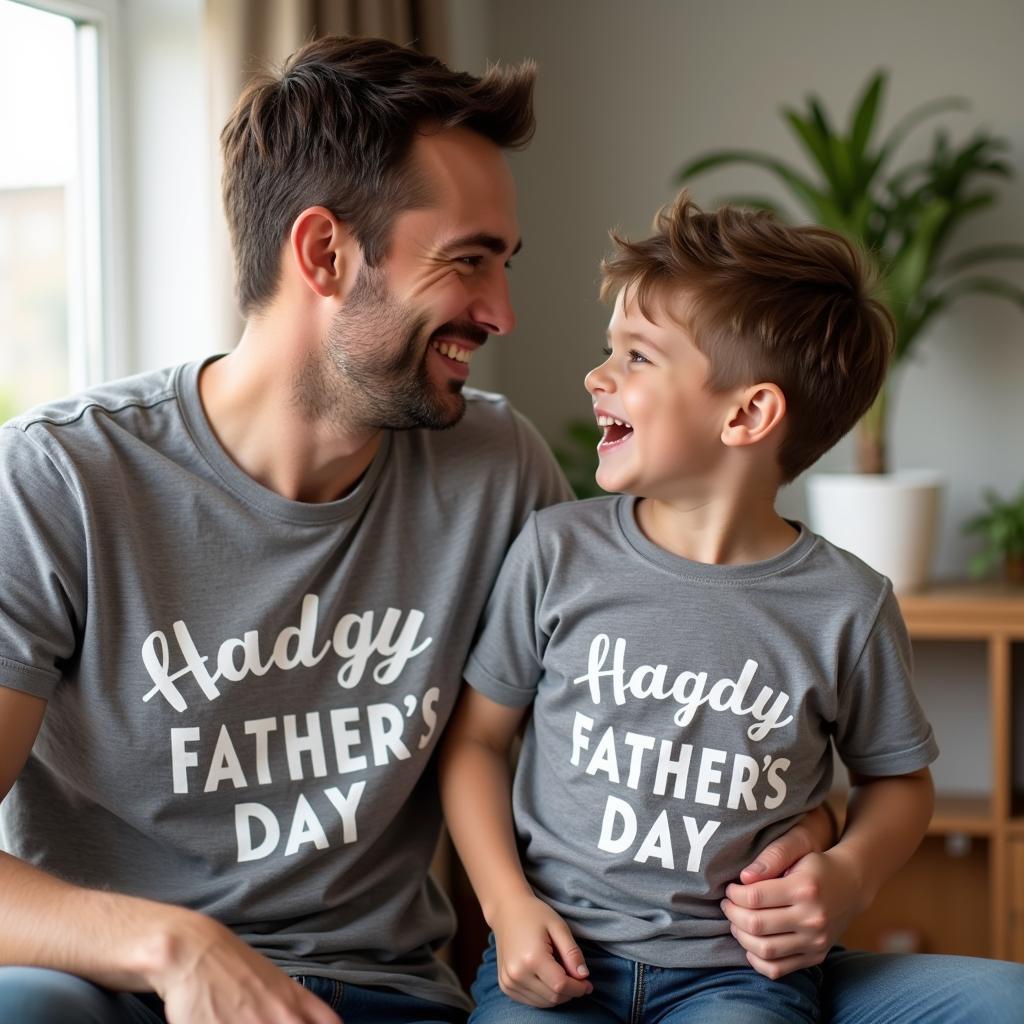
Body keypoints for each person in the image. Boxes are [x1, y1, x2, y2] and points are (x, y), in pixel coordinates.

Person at [0, 33, 1016, 1024]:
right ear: (322, 252)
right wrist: (173, 945)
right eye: (469, 261)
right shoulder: (62, 479)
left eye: (506, 263)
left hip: (386, 990)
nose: (503, 312)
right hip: (119, 984)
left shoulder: (495, 467)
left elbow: (641, 691)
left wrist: (821, 825)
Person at [439, 193, 1024, 1023]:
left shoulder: (847, 607)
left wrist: (850, 873)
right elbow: (476, 742)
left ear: (747, 413)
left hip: (736, 979)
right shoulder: (554, 552)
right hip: (557, 958)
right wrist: (505, 906)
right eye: (611, 351)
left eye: (638, 358)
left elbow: (900, 783)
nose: (597, 376)